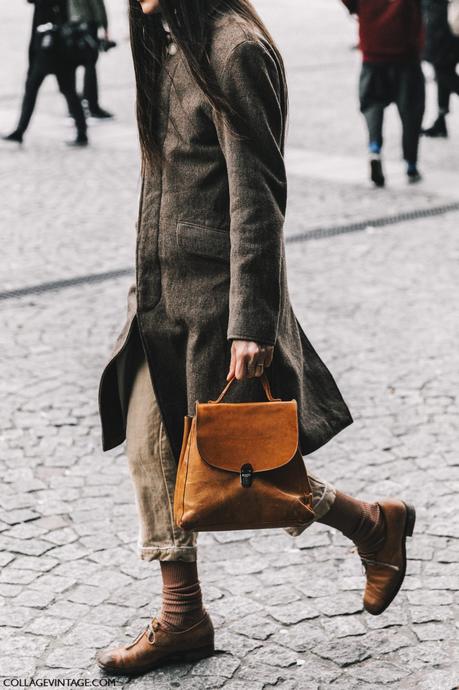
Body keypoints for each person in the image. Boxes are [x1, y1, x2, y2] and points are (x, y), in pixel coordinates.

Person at [96, 0, 416, 676]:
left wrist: (250, 320)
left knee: (246, 468)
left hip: (216, 303)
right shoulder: (168, 44)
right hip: (161, 297)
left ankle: (370, 525)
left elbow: (258, 192)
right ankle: (184, 614)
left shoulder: (231, 49)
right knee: (152, 448)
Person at [341, 0, 425, 187]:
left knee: (372, 103)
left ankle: (374, 149)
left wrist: (357, 8)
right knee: (411, 109)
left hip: (373, 48)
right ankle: (411, 164)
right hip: (406, 50)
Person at [2, 0, 88, 147]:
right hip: (52, 50)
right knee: (61, 90)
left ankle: (20, 131)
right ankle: (81, 132)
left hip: (51, 50)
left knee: (39, 88)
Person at [68, 0, 113, 118]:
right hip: (87, 23)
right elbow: (97, 4)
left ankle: (74, 106)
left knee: (71, 65)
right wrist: (104, 26)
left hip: (71, 23)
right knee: (90, 64)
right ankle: (92, 106)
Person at [422, 0, 459, 137]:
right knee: (444, 69)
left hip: (445, 25)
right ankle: (441, 121)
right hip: (445, 23)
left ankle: (441, 121)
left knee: (443, 71)